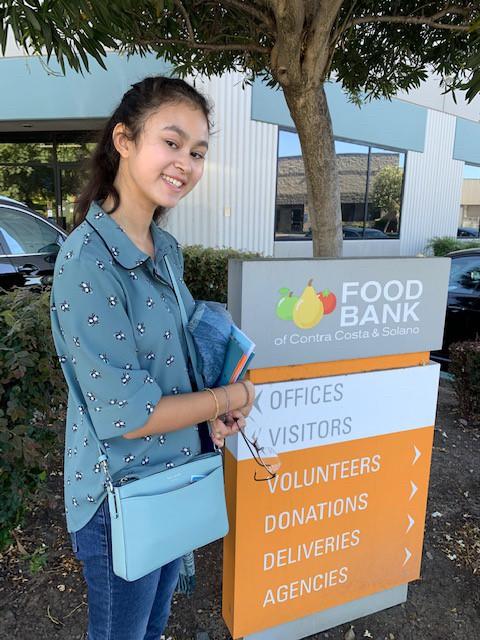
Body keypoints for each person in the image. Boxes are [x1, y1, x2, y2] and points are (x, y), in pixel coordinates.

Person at [50, 76, 255, 640]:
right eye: (171, 142)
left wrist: (211, 412)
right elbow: (127, 413)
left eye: (198, 152)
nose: (185, 163)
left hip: (175, 479)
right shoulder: (88, 261)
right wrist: (231, 397)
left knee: (152, 629)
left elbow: (172, 367)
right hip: (121, 497)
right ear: (124, 139)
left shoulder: (166, 253)